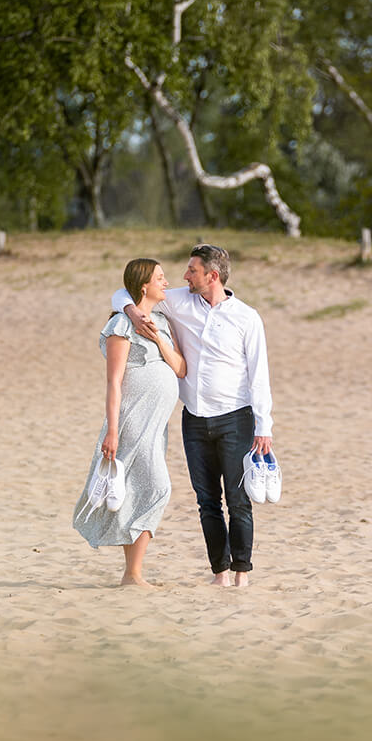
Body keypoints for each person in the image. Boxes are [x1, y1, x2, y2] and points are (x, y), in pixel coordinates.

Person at [113, 244, 273, 588]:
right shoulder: (181, 301)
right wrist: (130, 310)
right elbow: (123, 292)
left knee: (238, 499)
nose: (185, 276)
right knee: (207, 502)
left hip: (236, 418)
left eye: (192, 271)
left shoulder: (247, 317)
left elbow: (259, 375)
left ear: (211, 276)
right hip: (195, 419)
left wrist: (264, 426)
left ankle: (241, 572)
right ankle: (219, 573)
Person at [72, 259, 187, 587]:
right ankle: (132, 573)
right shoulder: (121, 326)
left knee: (140, 489)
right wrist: (111, 430)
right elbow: (114, 382)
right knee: (157, 487)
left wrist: (159, 340)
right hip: (133, 420)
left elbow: (180, 368)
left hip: (156, 424)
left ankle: (132, 573)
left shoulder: (162, 321)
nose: (166, 282)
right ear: (143, 287)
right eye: (160, 278)